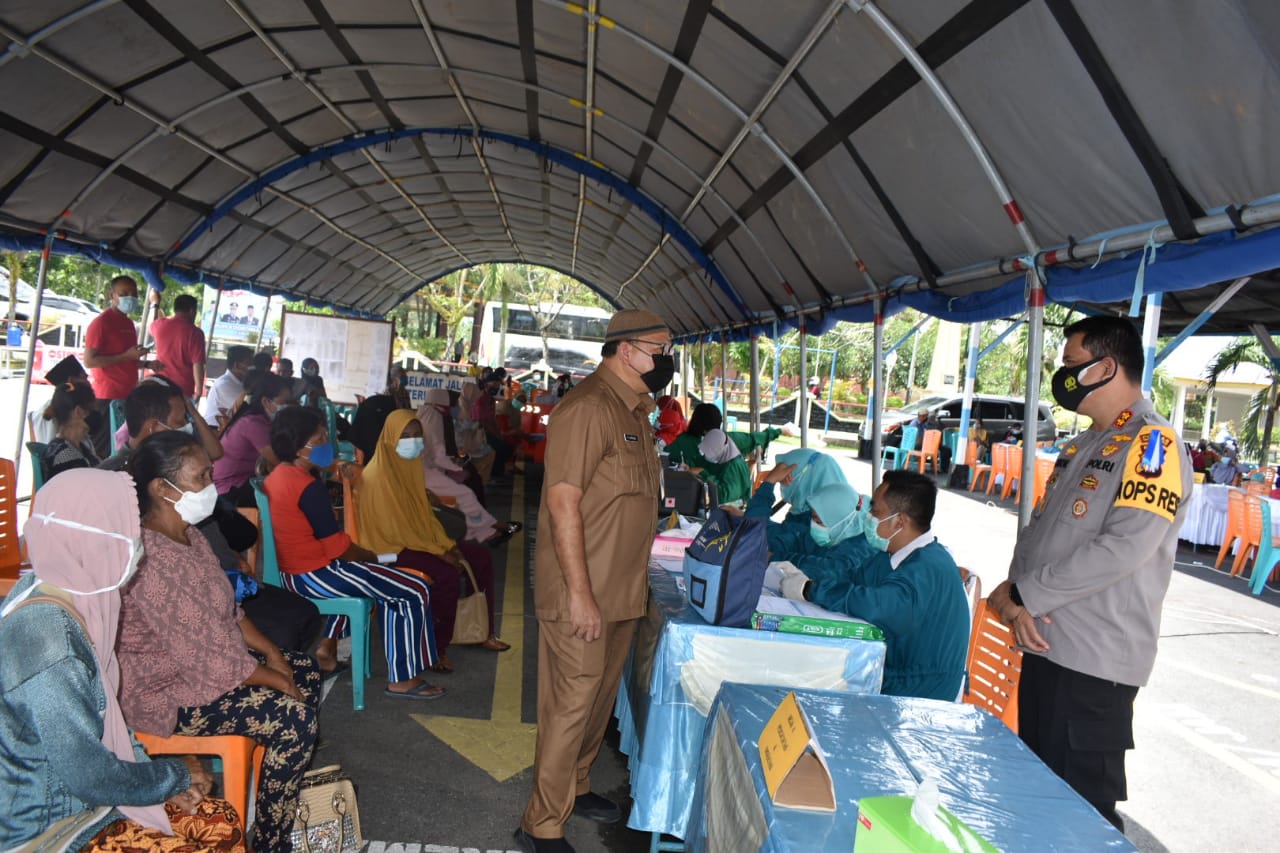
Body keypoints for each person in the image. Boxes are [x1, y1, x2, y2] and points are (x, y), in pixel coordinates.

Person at [988, 315, 1191, 831]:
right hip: (1044, 644)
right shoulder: (1086, 445)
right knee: (1037, 798)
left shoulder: (1153, 445)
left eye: (1071, 365)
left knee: (1082, 817)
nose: (1062, 376)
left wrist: (1027, 595)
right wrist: (1015, 596)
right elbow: (1040, 534)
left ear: (1106, 366)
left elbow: (1123, 546)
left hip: (1094, 664)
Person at [0, 469, 243, 852]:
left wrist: (157, 783)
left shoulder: (77, 595)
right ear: (93, 540)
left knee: (217, 821)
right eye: (127, 532)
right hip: (47, 828)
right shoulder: (46, 640)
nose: (138, 543)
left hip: (85, 801)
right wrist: (173, 776)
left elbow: (109, 719)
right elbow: (89, 776)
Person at [517, 309, 675, 853]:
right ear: (625, 349)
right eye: (659, 348)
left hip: (622, 591)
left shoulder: (632, 410)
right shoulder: (587, 409)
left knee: (598, 700)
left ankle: (576, 786)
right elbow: (563, 504)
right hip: (582, 594)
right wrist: (580, 596)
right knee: (569, 706)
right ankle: (542, 824)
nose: (666, 361)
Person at [118, 431, 319, 852]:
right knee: (293, 716)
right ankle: (270, 841)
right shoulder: (149, 557)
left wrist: (273, 654)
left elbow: (229, 612)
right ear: (161, 488)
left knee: (303, 668)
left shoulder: (189, 536)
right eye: (201, 476)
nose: (211, 485)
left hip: (203, 665)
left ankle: (273, 788)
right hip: (163, 691)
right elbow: (203, 658)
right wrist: (275, 681)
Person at [101, 381, 324, 662]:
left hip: (222, 578)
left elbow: (206, 525)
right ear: (154, 427)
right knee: (284, 630)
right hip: (187, 595)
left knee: (304, 614)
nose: (189, 427)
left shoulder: (183, 464)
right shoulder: (116, 480)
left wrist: (231, 559)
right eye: (181, 420)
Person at [264, 405, 446, 699]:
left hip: (295, 573)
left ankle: (328, 648)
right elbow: (339, 549)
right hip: (316, 574)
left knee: (377, 580)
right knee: (413, 588)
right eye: (321, 439)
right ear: (301, 448)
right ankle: (403, 678)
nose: (329, 445)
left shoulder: (278, 476)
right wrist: (371, 557)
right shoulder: (308, 487)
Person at [781, 469, 969, 701]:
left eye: (875, 511)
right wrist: (805, 576)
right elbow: (851, 577)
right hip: (892, 673)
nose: (868, 515)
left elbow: (874, 606)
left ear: (899, 521)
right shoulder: (890, 554)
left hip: (918, 694)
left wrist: (810, 590)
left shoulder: (928, 567)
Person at [357, 410, 511, 671]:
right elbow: (396, 531)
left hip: (416, 541)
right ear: (390, 438)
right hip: (389, 549)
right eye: (405, 436)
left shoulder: (409, 468)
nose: (413, 441)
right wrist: (441, 553)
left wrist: (447, 545)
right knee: (447, 573)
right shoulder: (378, 476)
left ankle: (482, 630)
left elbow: (425, 520)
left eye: (417, 435)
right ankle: (435, 650)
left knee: (480, 558)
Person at [418, 388, 521, 544]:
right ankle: (495, 526)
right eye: (452, 404)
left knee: (462, 497)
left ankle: (486, 532)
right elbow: (438, 453)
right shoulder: (434, 417)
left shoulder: (428, 413)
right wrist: (458, 468)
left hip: (431, 468)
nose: (454, 407)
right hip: (427, 471)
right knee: (465, 495)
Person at [84, 275, 163, 457]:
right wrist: (125, 356)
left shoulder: (127, 323)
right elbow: (89, 360)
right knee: (104, 449)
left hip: (127, 396)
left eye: (134, 294)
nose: (130, 298)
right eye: (124, 293)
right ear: (112, 295)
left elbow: (127, 360)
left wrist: (146, 363)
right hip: (107, 396)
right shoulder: (101, 323)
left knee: (121, 447)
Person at [747, 473, 874, 583]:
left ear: (840, 520)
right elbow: (795, 540)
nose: (814, 525)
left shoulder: (863, 547)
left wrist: (774, 557)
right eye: (813, 519)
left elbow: (830, 571)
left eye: (818, 521)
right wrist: (767, 550)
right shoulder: (833, 531)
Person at [664, 403, 782, 504]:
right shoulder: (722, 448)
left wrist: (702, 473)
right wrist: (689, 468)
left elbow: (724, 496)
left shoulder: (734, 467)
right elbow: (702, 463)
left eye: (711, 452)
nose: (707, 457)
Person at [213, 373, 290, 506]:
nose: (288, 407)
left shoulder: (258, 418)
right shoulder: (254, 423)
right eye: (284, 403)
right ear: (266, 401)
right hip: (230, 490)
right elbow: (279, 462)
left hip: (241, 482)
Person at [40, 379, 101, 481]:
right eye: (93, 408)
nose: (96, 413)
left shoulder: (74, 447)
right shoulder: (67, 456)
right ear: (78, 412)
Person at [148, 293, 207, 400]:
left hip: (160, 384)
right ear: (192, 311)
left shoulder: (160, 325)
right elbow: (198, 364)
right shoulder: (195, 333)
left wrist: (155, 304)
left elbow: (150, 325)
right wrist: (198, 390)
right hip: (182, 389)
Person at [474, 370, 515, 482]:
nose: (497, 387)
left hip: (487, 431)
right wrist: (496, 435)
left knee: (507, 446)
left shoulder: (491, 400)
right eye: (494, 384)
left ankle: (497, 472)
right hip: (478, 432)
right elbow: (483, 422)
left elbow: (492, 420)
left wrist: (499, 434)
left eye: (498, 385)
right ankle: (494, 474)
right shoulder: (480, 399)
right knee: (501, 447)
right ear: (487, 384)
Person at [202, 345, 253, 427]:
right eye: (249, 363)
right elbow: (249, 409)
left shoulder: (240, 382)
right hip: (215, 430)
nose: (252, 366)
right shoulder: (225, 384)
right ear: (237, 365)